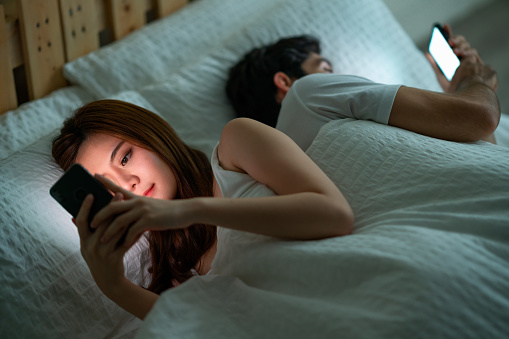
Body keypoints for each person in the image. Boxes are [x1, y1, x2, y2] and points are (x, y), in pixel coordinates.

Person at [51, 99, 354, 319]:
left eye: (126, 157)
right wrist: (113, 285)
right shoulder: (174, 275)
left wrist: (191, 210)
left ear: (152, 136)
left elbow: (335, 215)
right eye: (107, 186)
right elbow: (207, 328)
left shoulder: (236, 145)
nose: (127, 183)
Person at [225, 26, 500, 150]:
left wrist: (454, 94)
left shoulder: (280, 160)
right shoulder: (306, 92)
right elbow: (481, 117)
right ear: (285, 82)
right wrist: (475, 80)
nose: (335, 78)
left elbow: (480, 151)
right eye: (325, 69)